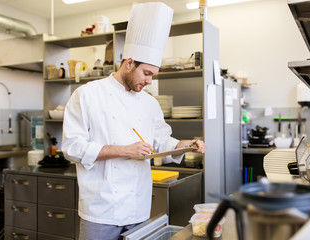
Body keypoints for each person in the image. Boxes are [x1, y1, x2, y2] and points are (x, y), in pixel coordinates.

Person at [62, 2, 206, 240]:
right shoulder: (87, 94)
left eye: (153, 75)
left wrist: (186, 145)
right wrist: (123, 150)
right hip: (100, 210)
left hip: (138, 208)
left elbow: (161, 141)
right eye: (146, 73)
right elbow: (72, 148)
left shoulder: (149, 103)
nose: (149, 81)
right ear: (129, 63)